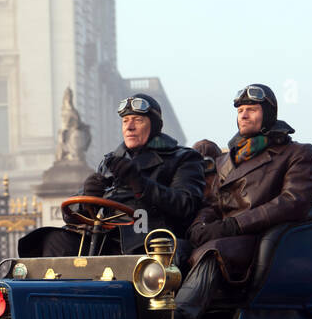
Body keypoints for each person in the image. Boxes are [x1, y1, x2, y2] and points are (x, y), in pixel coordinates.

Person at [174, 84, 312, 319]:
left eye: (251, 109)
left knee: (213, 252)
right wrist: (200, 224)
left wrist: (234, 225)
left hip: (263, 241)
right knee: (171, 248)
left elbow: (292, 202)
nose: (243, 115)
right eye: (240, 110)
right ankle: (145, 314)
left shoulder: (296, 153)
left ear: (268, 115)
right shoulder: (226, 160)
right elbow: (212, 203)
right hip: (228, 235)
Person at [19, 93, 204, 258]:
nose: (129, 127)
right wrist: (85, 200)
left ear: (155, 126)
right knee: (54, 240)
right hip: (102, 240)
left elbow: (186, 205)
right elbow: (70, 213)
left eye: (137, 120)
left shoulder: (183, 158)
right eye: (125, 121)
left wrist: (140, 184)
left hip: (151, 241)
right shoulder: (109, 162)